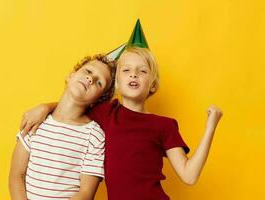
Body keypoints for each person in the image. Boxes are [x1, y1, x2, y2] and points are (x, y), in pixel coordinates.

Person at [18, 20, 223, 200]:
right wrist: (45, 107)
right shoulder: (106, 113)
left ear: (152, 84)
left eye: (142, 71)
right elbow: (76, 100)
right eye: (126, 70)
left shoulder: (164, 125)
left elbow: (189, 175)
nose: (133, 75)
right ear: (117, 83)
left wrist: (210, 128)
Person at [9, 54, 116, 200]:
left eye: (99, 83)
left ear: (97, 101)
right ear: (71, 76)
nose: (91, 79)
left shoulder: (95, 136)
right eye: (88, 72)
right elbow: (16, 175)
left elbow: (86, 193)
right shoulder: (35, 121)